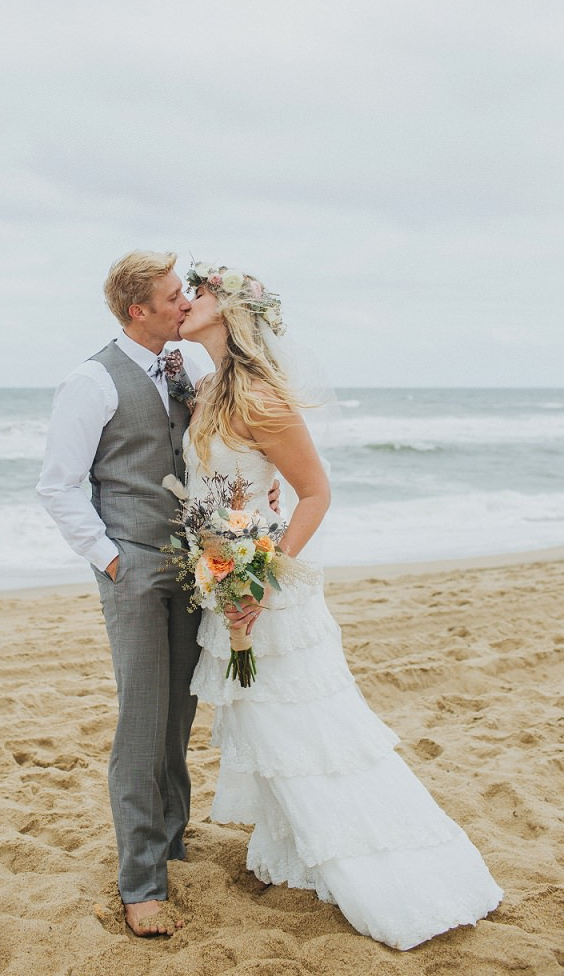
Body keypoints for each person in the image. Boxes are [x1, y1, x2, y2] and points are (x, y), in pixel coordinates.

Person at [178, 262, 503, 951]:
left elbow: (315, 493)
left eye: (199, 290)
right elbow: (223, 486)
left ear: (229, 311)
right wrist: (218, 559)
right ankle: (301, 856)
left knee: (308, 734)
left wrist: (261, 574)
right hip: (225, 573)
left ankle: (389, 871)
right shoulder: (205, 388)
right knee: (270, 734)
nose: (186, 298)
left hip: (265, 587)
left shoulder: (262, 397)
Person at [37, 250, 278, 937]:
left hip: (196, 569)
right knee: (143, 724)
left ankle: (171, 841)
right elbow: (57, 485)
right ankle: (142, 882)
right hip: (135, 570)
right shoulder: (92, 381)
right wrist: (112, 562)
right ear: (137, 310)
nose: (186, 301)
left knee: (179, 714)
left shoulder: (188, 367)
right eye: (174, 295)